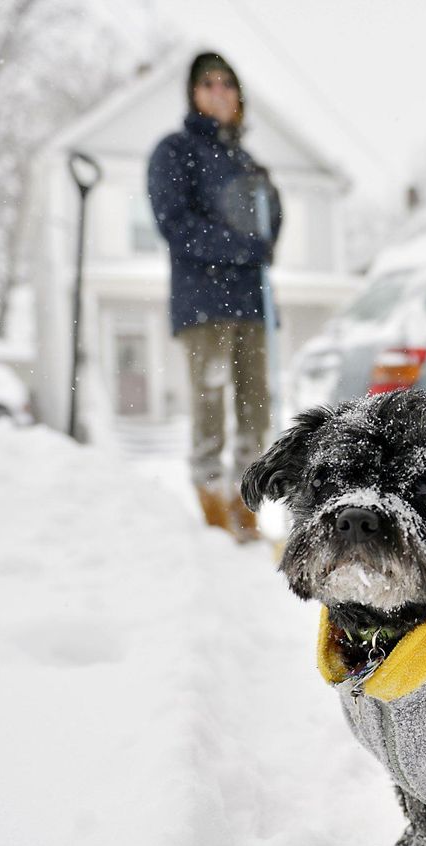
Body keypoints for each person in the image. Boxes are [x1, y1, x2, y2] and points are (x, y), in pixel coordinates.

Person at [148, 52, 283, 542]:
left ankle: (244, 508)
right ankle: (210, 509)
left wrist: (267, 216)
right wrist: (242, 248)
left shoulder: (249, 162)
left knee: (256, 409)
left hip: (253, 302)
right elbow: (176, 225)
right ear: (193, 93)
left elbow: (270, 229)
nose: (219, 90)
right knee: (211, 401)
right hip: (205, 301)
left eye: (228, 82)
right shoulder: (176, 151)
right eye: (208, 83)